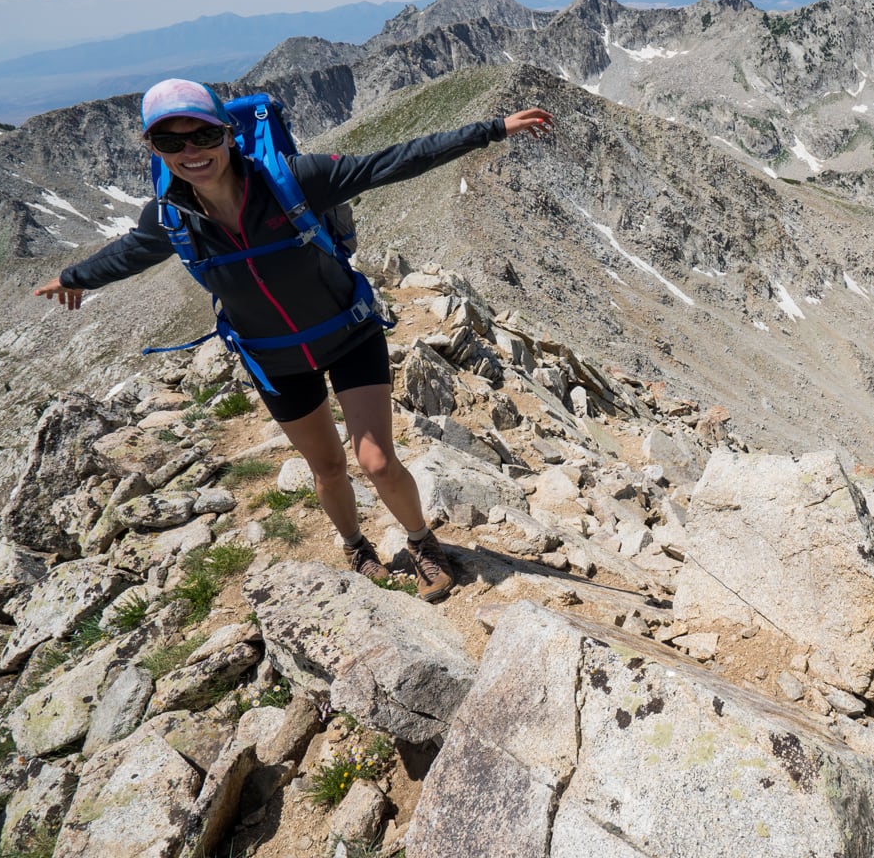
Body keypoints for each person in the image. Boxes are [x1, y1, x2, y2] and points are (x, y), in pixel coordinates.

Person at [35, 78, 553, 602]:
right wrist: (75, 277)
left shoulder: (295, 181)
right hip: (274, 359)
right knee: (326, 468)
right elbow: (126, 254)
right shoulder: (169, 219)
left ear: (229, 134)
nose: (191, 151)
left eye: (203, 135)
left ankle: (421, 542)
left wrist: (492, 129)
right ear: (153, 149)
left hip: (348, 334)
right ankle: (355, 547)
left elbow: (391, 162)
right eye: (172, 142)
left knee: (375, 461)